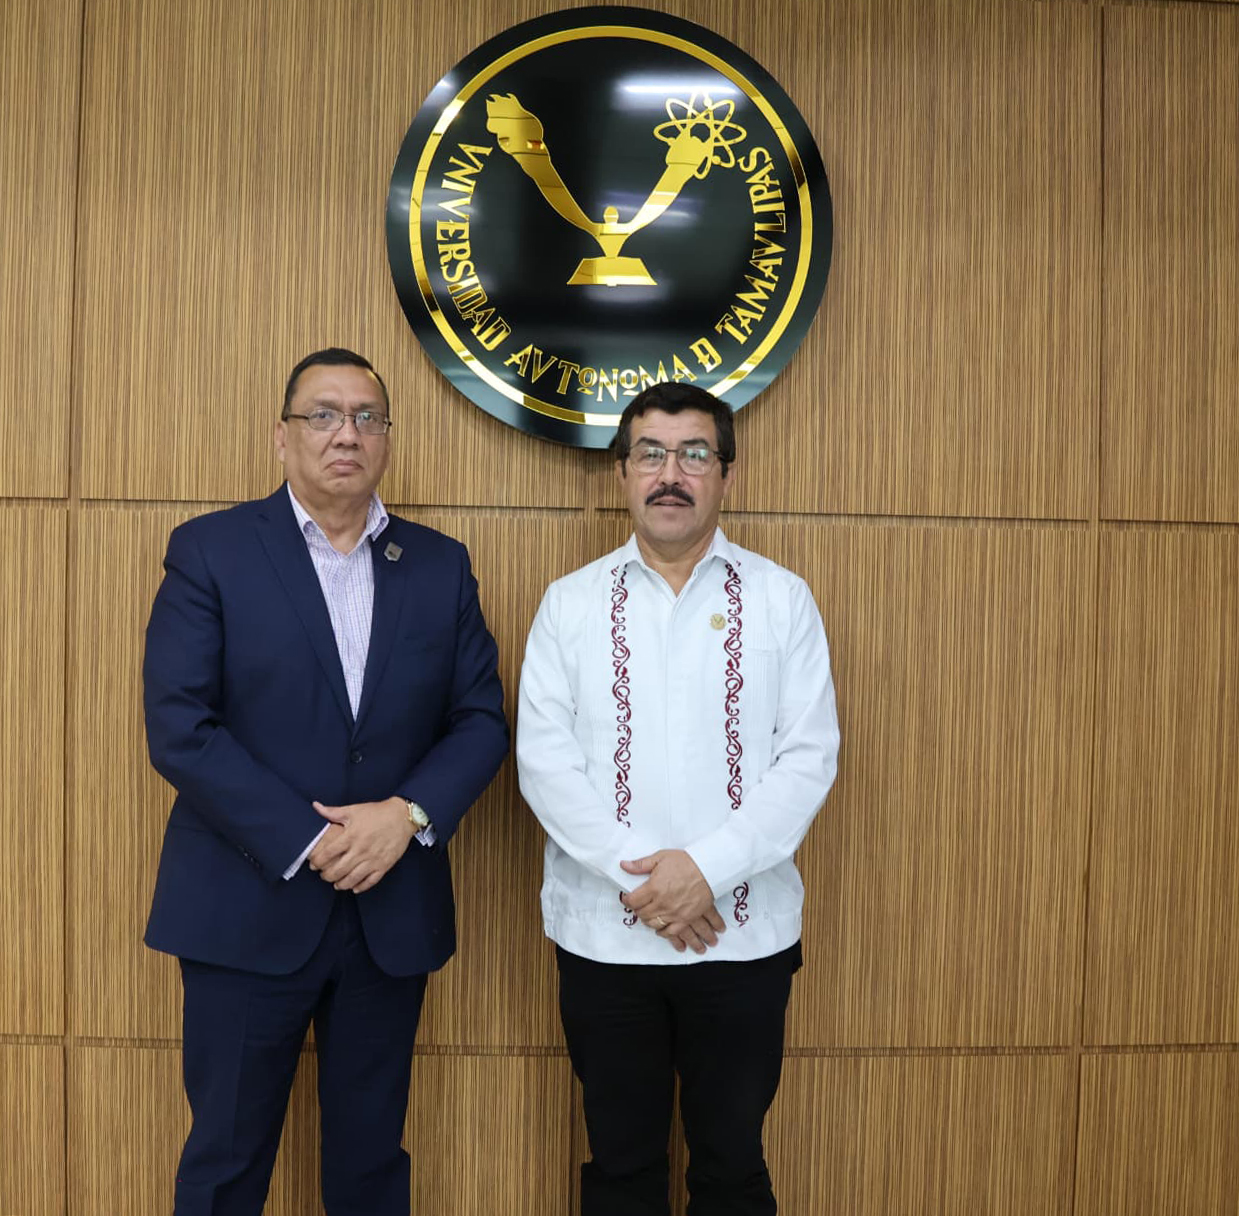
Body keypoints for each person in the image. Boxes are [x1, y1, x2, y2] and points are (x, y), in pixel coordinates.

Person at [143, 347, 508, 1215]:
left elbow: (480, 720)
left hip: (389, 913)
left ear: (385, 438)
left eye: (366, 417)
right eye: (323, 415)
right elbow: (180, 726)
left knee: (370, 1167)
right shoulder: (211, 551)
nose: (346, 434)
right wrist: (311, 838)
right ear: (282, 437)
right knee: (225, 1164)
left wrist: (405, 816)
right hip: (245, 907)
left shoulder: (439, 564)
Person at [517, 381, 840, 1215]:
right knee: (620, 1166)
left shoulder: (781, 599)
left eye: (694, 454)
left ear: (726, 473)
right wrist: (654, 883)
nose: (671, 474)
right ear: (621, 473)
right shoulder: (570, 603)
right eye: (651, 454)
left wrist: (705, 872)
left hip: (741, 939)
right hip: (605, 939)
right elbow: (544, 763)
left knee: (730, 1168)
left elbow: (807, 758)